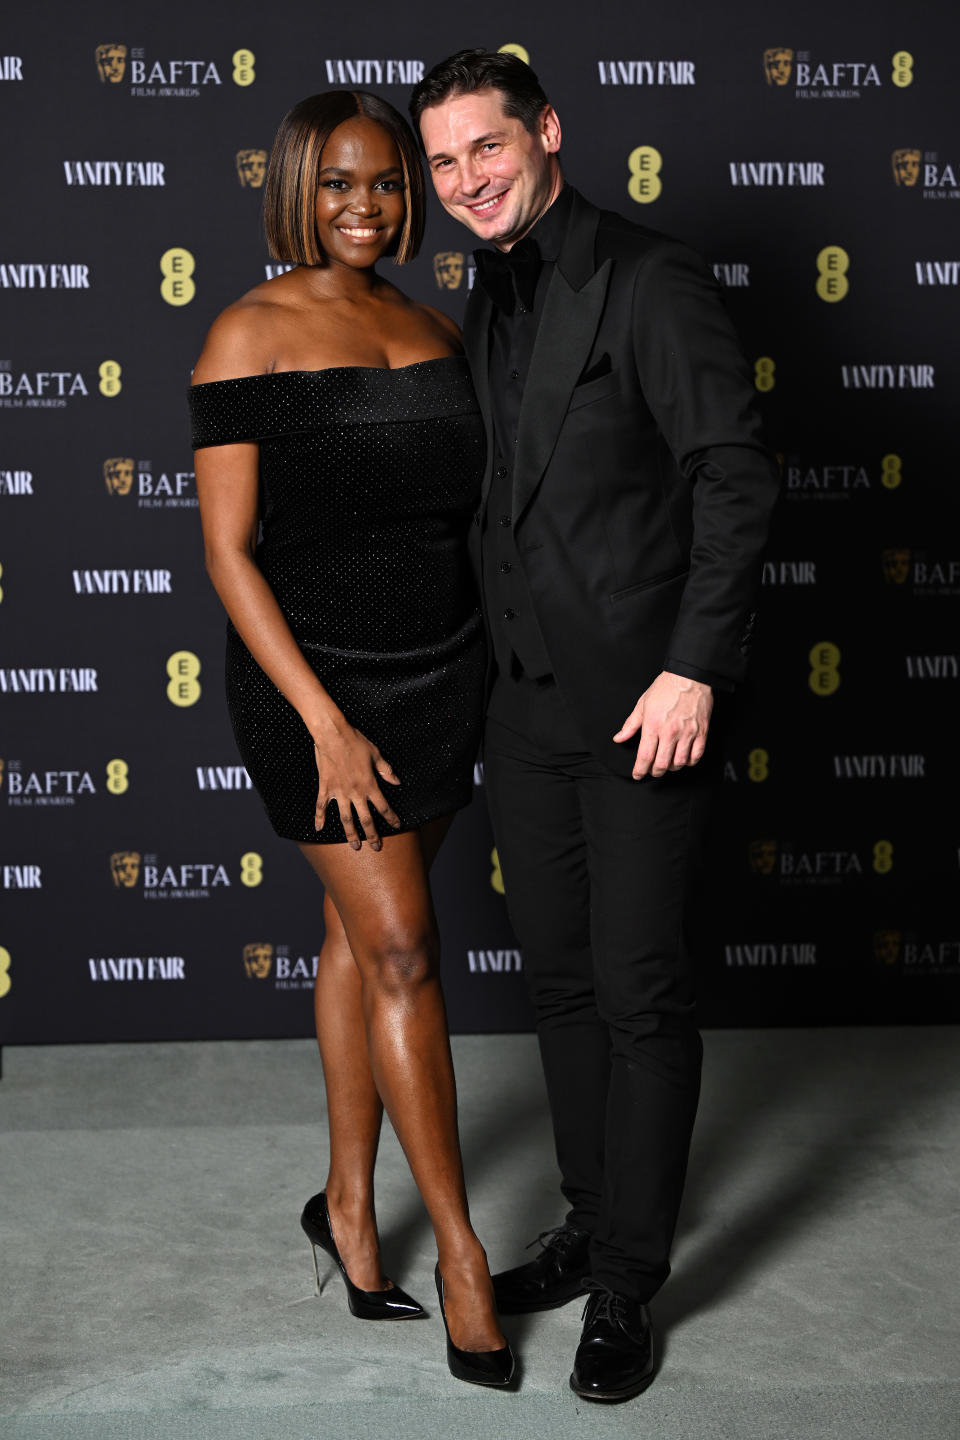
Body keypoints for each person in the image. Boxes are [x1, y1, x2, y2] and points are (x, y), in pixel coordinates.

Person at [411, 50, 780, 1402]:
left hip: (642, 704)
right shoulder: (482, 288)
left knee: (638, 991)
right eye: (443, 163)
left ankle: (629, 1277)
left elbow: (732, 476)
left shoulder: (651, 274)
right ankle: (586, 1220)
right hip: (524, 704)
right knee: (560, 985)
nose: (466, 183)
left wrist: (696, 667)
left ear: (549, 132)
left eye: (486, 150)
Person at [187, 89, 513, 1390]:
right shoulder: (248, 332)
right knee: (398, 948)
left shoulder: (436, 326)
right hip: (316, 693)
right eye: (338, 184)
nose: (367, 204)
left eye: (386, 181)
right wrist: (322, 723)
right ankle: (463, 1258)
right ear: (295, 192)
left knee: (353, 942)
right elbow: (225, 552)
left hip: (444, 676)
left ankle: (344, 1204)